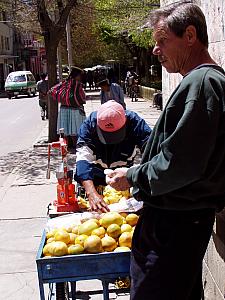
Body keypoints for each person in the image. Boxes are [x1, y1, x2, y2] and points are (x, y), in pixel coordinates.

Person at [106, 3, 225, 300]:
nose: (156, 51)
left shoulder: (203, 83)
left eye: (162, 41)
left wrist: (132, 175)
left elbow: (180, 163)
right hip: (177, 221)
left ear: (189, 35)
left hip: (176, 224)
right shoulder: (199, 82)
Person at [74, 100, 151, 212]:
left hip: (124, 178)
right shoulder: (89, 125)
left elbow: (152, 151)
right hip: (94, 176)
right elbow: (83, 159)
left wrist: (137, 175)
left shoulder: (135, 123)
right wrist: (91, 193)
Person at [57, 67, 86, 150]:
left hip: (64, 109)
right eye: (79, 76)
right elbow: (82, 97)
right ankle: (75, 145)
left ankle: (66, 145)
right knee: (75, 128)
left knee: (65, 128)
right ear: (76, 76)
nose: (80, 77)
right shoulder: (77, 85)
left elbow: (57, 92)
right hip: (74, 109)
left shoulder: (64, 84)